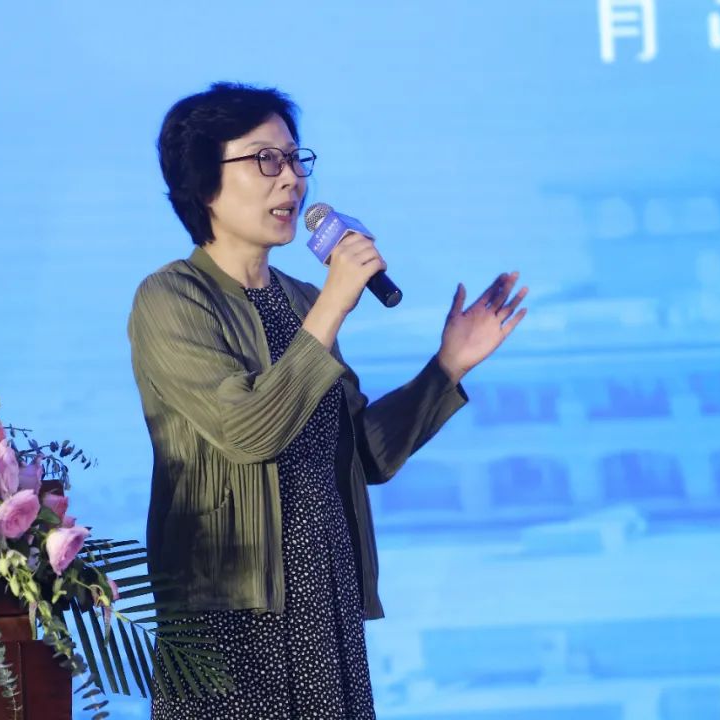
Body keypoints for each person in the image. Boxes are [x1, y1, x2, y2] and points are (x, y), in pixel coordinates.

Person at [127, 82, 527, 720]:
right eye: (266, 160)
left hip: (324, 597)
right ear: (204, 184)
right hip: (229, 615)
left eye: (294, 159)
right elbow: (249, 431)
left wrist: (446, 366)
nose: (292, 179)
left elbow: (360, 454)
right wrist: (337, 300)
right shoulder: (172, 298)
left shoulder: (303, 301)